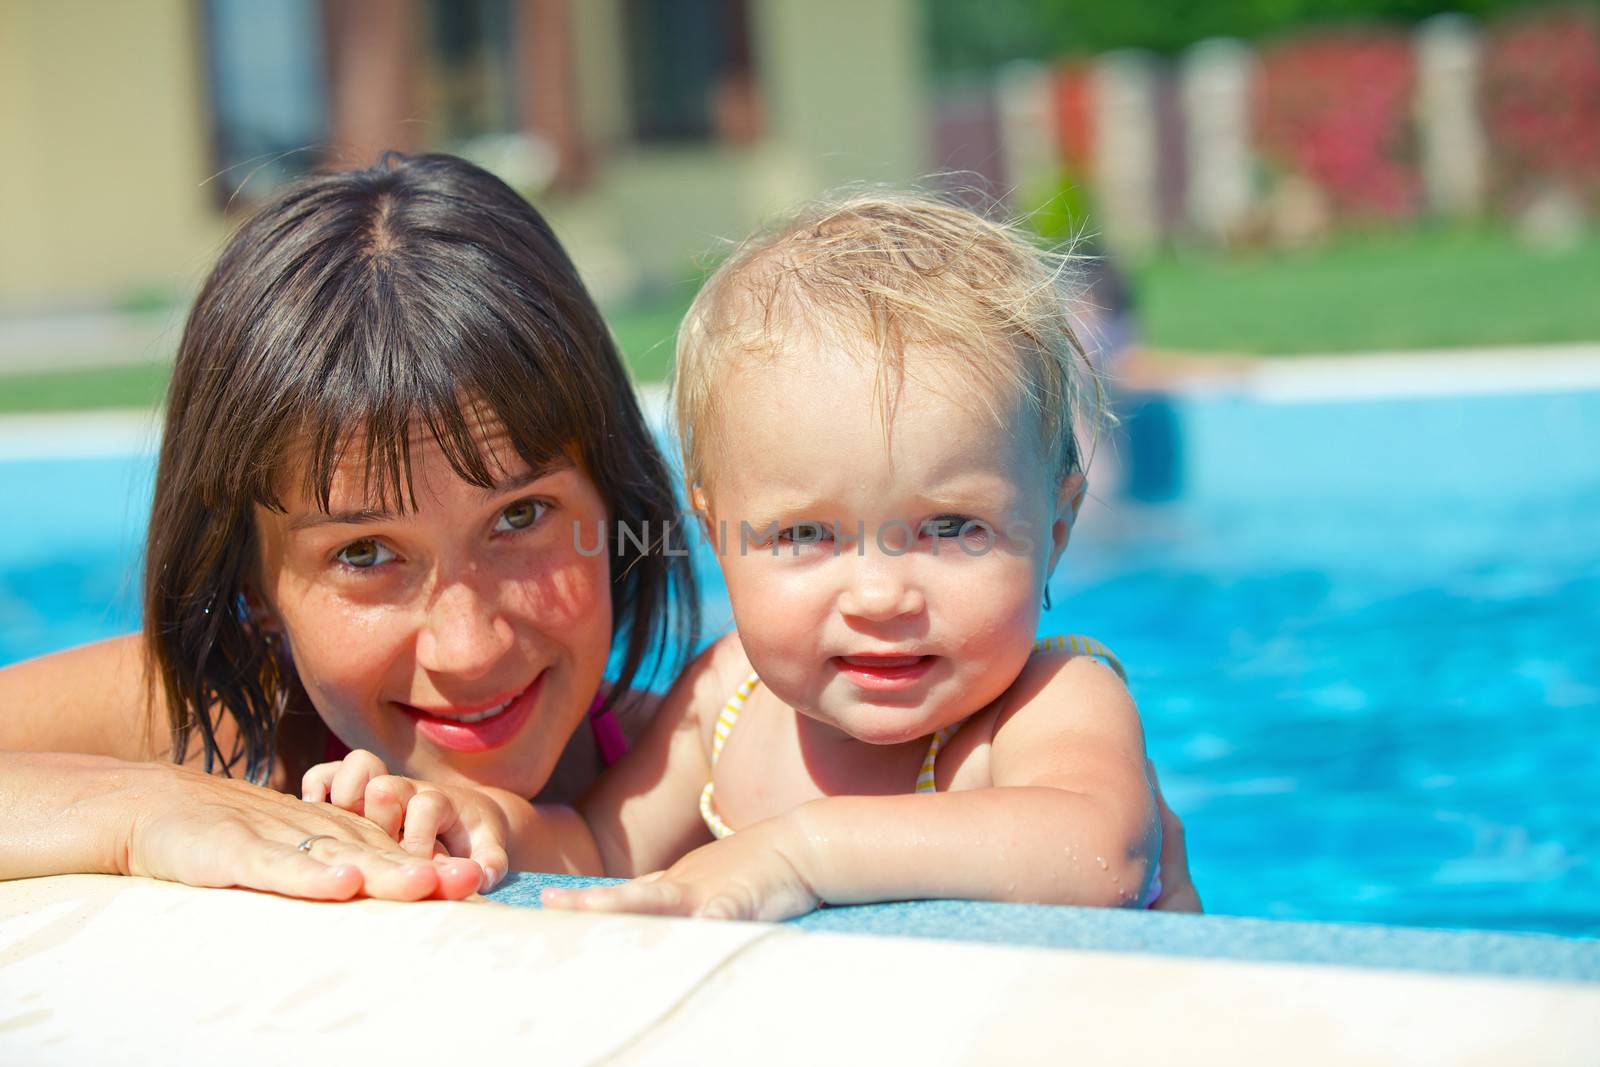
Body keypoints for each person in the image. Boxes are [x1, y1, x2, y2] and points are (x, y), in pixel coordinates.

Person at [313, 189, 1201, 918]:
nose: (882, 594)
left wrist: (799, 852)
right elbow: (595, 849)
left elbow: (1096, 852)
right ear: (718, 534)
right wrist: (478, 821)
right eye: (806, 535)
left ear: (1056, 527)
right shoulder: (723, 704)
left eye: (951, 527)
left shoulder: (1050, 703)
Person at [0, 152, 695, 901]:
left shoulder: (700, 761)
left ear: (616, 503)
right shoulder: (229, 733)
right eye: (364, 553)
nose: (467, 649)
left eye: (519, 516)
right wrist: (141, 805)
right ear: (251, 584)